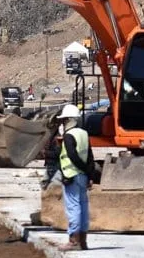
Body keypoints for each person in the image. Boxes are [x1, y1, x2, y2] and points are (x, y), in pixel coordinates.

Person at [56, 104, 94, 251]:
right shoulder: (84, 134)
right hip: (83, 177)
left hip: (71, 176)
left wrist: (81, 169)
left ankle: (74, 241)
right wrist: (89, 174)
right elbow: (90, 156)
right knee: (83, 207)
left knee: (73, 208)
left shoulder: (69, 135)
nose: (63, 123)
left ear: (70, 120)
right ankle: (83, 241)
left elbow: (72, 156)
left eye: (64, 120)